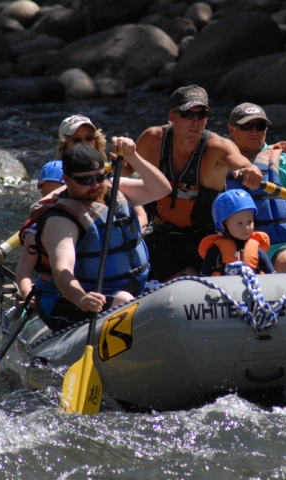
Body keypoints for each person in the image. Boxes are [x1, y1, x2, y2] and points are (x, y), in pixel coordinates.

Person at [32, 141, 171, 332]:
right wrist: (81, 298)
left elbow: (162, 190)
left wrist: (133, 156)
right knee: (123, 301)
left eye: (100, 177)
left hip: (129, 290)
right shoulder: (61, 220)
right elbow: (62, 270)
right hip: (69, 300)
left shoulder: (112, 188)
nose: (96, 185)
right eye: (86, 180)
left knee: (173, 292)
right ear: (67, 179)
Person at [134, 85, 263, 281]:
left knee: (194, 273)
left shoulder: (217, 147)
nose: (195, 121)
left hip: (204, 239)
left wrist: (251, 171)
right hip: (161, 237)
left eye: (201, 114)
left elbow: (241, 162)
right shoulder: (152, 139)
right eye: (187, 114)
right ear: (172, 116)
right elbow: (123, 171)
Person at [226, 102, 286, 273]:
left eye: (260, 126)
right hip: (234, 248)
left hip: (282, 246)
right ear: (231, 130)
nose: (255, 131)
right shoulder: (219, 165)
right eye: (247, 126)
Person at [56, 114, 149, 232]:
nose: (84, 143)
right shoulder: (55, 171)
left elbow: (140, 213)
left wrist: (133, 237)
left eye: (89, 138)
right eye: (76, 140)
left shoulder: (106, 170)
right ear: (65, 144)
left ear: (96, 140)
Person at [15, 160, 65, 302]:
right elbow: (24, 268)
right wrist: (26, 291)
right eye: (47, 193)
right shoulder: (36, 229)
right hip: (54, 292)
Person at [198, 189, 275, 276]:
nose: (246, 227)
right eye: (239, 223)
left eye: (249, 222)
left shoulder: (258, 251)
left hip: (252, 287)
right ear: (223, 225)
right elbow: (204, 278)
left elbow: (272, 276)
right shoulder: (216, 251)